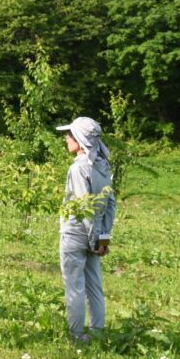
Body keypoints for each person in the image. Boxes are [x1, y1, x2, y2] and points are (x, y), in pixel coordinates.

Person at [56, 116, 116, 342]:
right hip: (96, 233)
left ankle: (77, 335)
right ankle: (97, 331)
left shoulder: (78, 168)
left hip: (75, 233)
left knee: (75, 286)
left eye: (70, 134)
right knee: (94, 285)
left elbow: (84, 207)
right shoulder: (103, 166)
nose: (66, 138)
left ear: (80, 139)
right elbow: (110, 204)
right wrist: (102, 239)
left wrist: (93, 240)